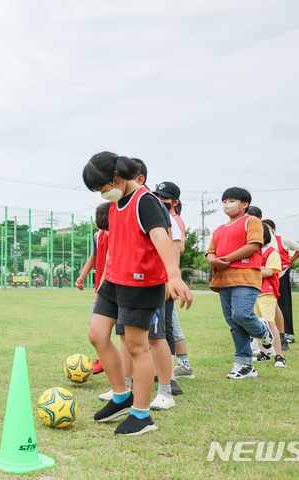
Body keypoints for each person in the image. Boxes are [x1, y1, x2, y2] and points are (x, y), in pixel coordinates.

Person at [82, 152, 192, 436]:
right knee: (96, 334)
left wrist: (174, 276)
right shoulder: (117, 203)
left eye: (103, 187)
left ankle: (141, 415)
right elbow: (117, 246)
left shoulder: (146, 200)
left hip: (141, 284)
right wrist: (102, 284)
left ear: (117, 178)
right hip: (114, 280)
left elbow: (161, 237)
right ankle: (121, 397)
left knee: (136, 346)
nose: (103, 193)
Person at [206, 187, 275, 379]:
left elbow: (253, 246)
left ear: (245, 204)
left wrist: (225, 259)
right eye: (225, 200)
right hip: (223, 280)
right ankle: (245, 365)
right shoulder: (219, 229)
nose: (227, 203)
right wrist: (213, 260)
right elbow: (210, 251)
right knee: (233, 322)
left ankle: (262, 331)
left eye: (232, 200)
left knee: (241, 314)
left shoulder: (252, 221)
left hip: (245, 277)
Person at [153, 181, 195, 379]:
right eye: (158, 196)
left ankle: (171, 374)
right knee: (168, 325)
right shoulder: (163, 216)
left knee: (167, 326)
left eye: (164, 198)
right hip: (160, 280)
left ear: (174, 201)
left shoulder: (173, 219)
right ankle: (177, 366)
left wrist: (172, 279)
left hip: (166, 281)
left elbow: (176, 250)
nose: (160, 200)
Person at [75, 202, 111, 375]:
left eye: (107, 227)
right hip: (102, 289)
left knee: (129, 333)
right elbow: (93, 258)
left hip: (117, 287)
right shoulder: (98, 236)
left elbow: (111, 263)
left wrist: (100, 289)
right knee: (95, 327)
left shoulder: (123, 233)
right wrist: (82, 277)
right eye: (103, 228)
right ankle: (103, 360)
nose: (106, 231)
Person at [263, 219, 299, 347]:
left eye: (269, 228)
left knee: (283, 304)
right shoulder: (259, 244)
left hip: (281, 274)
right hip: (266, 276)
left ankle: (286, 334)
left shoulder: (282, 240)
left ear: (274, 229)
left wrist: (290, 261)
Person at [254, 223, 286, 367]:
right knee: (257, 323)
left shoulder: (272, 252)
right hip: (253, 290)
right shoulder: (254, 252)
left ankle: (279, 355)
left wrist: (252, 272)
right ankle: (263, 353)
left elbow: (269, 272)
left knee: (269, 322)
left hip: (267, 291)